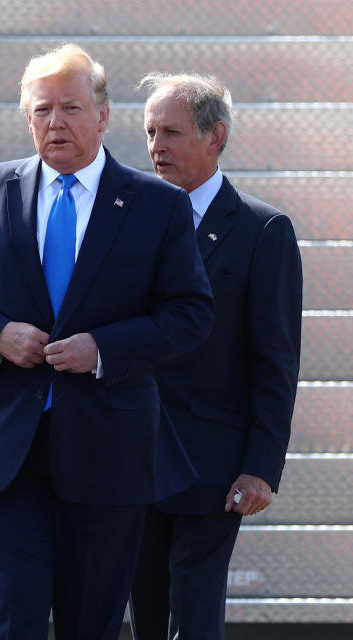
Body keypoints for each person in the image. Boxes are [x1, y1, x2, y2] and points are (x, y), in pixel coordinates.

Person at [0, 44, 214, 640]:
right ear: (28, 118)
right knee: (16, 612)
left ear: (102, 116)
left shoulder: (156, 205)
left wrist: (101, 349)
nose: (57, 122)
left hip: (110, 444)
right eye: (43, 109)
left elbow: (190, 312)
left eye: (71, 107)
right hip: (7, 445)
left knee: (91, 619)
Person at [129, 74, 302, 640]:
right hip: (127, 453)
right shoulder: (127, 218)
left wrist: (261, 466)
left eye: (171, 132)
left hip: (212, 462)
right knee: (144, 609)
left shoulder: (262, 230)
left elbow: (275, 359)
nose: (156, 146)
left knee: (196, 615)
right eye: (150, 131)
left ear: (215, 136)